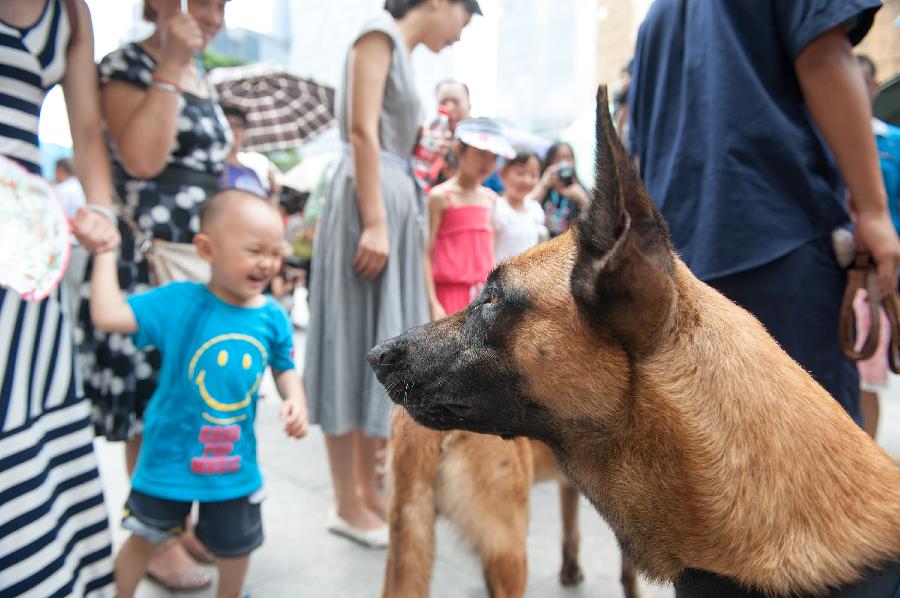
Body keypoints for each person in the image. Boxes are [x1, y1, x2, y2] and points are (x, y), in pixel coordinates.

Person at [628, 0, 900, 432]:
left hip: (680, 266)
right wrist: (872, 209)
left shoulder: (655, 19)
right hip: (780, 239)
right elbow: (824, 56)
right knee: (814, 457)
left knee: (714, 456)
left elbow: (638, 151)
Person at [303, 0, 483, 547]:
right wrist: (376, 221)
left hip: (387, 199)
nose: (459, 33)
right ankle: (345, 500)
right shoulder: (378, 34)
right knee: (349, 343)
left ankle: (365, 492)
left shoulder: (398, 50)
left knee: (375, 345)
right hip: (370, 202)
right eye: (464, 16)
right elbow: (361, 129)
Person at [76, 0, 233, 589]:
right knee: (156, 407)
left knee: (194, 398)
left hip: (201, 260)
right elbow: (141, 160)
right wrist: (169, 59)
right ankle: (154, 535)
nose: (215, 14)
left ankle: (177, 521)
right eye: (205, 2)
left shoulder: (205, 76)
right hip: (153, 261)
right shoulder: (126, 67)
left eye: (222, 5)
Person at [89, 189, 309, 598]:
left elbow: (284, 365)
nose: (267, 263)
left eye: (275, 252)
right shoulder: (177, 302)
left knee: (236, 546)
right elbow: (108, 314)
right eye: (254, 250)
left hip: (233, 464)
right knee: (145, 537)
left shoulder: (272, 316)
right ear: (206, 249)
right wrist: (105, 252)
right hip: (167, 459)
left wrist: (294, 398)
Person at [0, 0, 120, 595]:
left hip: (23, 245)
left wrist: (99, 208)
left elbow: (88, 135)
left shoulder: (71, 13)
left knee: (28, 411)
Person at [852, 53, 900, 438]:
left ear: (872, 87)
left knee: (875, 366)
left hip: (886, 266)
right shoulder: (823, 138)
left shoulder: (893, 141)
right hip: (848, 267)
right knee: (854, 362)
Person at [426, 118, 514, 318]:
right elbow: (425, 253)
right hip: (447, 295)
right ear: (459, 149)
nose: (487, 162)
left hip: (481, 296)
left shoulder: (490, 199)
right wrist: (432, 302)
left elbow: (489, 251)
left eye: (493, 157)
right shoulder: (440, 197)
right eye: (481, 153)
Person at [493, 147, 547, 263]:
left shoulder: (535, 210)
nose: (527, 180)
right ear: (503, 173)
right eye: (520, 173)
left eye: (533, 175)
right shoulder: (497, 209)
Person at [220, 104, 282, 203]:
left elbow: (265, 211)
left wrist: (274, 192)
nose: (234, 131)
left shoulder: (252, 172)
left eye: (238, 126)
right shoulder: (215, 168)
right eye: (228, 125)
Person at [535, 141, 590, 238]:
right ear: (549, 162)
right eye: (558, 158)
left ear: (573, 162)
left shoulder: (580, 191)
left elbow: (595, 222)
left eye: (567, 158)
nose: (563, 163)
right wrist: (544, 184)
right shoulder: (543, 188)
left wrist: (582, 200)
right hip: (543, 247)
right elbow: (526, 208)